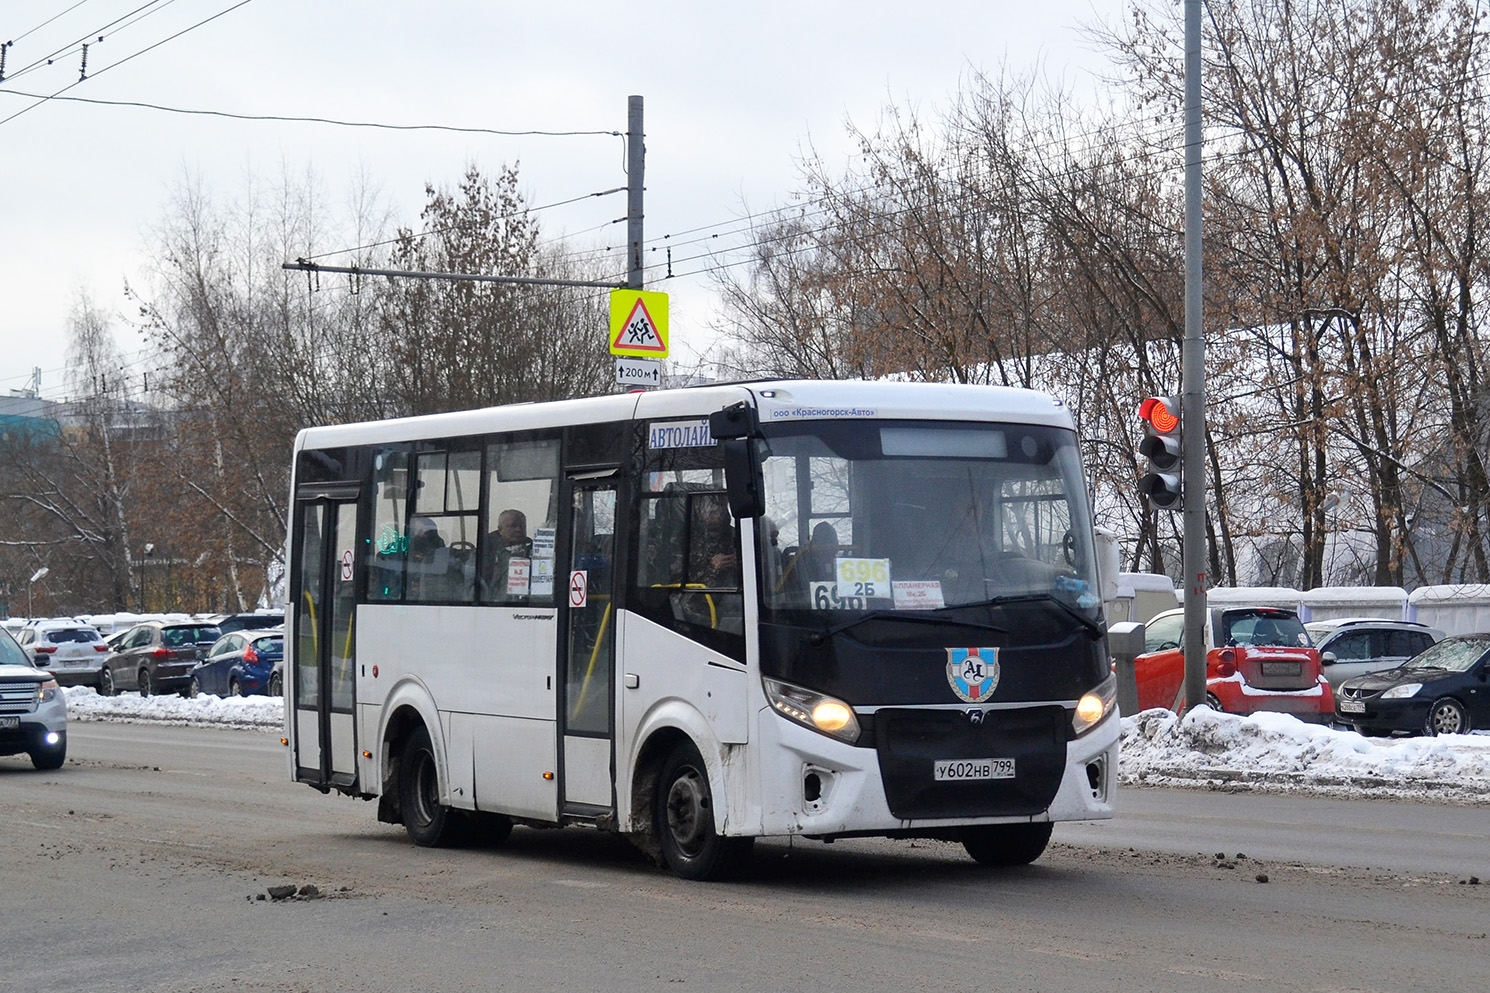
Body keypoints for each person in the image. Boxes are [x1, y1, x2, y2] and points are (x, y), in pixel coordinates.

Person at [483, 508, 532, 599]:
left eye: (522, 526)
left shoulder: (533, 551)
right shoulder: (485, 550)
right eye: (513, 526)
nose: (519, 529)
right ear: (500, 529)